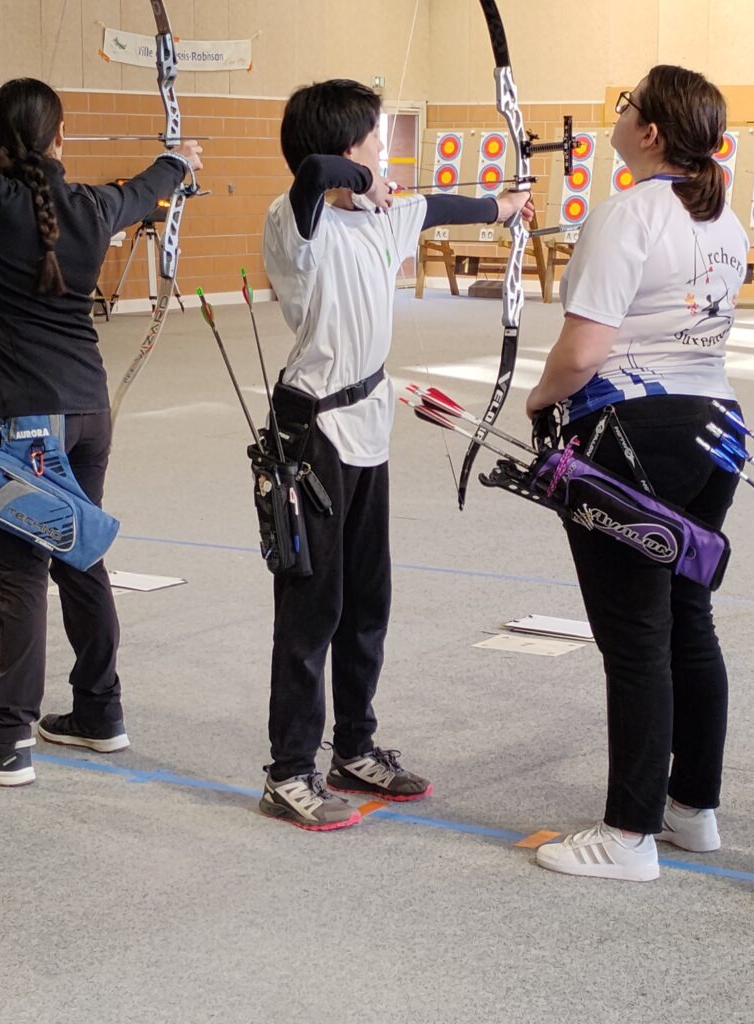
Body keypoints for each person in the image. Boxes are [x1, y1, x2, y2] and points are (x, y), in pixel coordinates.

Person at [260, 79, 533, 830]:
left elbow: (448, 206)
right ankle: (288, 771)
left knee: (366, 600)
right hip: (311, 433)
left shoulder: (385, 217)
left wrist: (506, 206)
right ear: (347, 148)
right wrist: (363, 177)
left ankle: (354, 746)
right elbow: (317, 175)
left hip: (369, 426)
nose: (385, 156)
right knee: (310, 608)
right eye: (374, 142)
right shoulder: (296, 222)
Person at [525, 65, 748, 880]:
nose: (616, 117)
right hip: (713, 429)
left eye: (626, 109)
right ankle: (692, 811)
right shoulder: (722, 212)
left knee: (635, 637)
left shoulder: (626, 212)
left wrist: (537, 401)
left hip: (630, 434)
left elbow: (583, 351)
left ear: (649, 133)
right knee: (687, 619)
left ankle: (627, 836)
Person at [0, 78, 203, 786]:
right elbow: (151, 184)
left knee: (21, 579)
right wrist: (179, 159)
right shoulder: (91, 205)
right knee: (79, 557)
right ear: (61, 137)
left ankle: (6, 740)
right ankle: (98, 713)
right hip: (87, 412)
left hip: (24, 423)